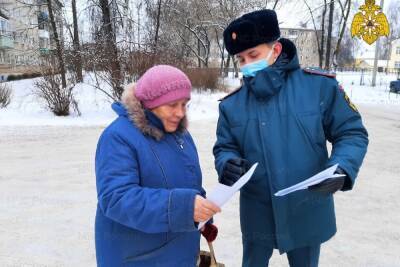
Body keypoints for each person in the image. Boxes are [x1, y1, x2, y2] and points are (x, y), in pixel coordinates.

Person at [213, 9, 369, 267]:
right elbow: (225, 147)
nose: (247, 64)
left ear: (275, 50)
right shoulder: (232, 105)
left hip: (306, 207)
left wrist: (342, 166)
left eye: (253, 54)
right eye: (241, 59)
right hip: (257, 212)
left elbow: (351, 132)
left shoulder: (318, 86)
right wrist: (227, 163)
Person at [95, 65, 220, 266]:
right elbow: (116, 199)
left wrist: (202, 215)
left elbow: (189, 186)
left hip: (179, 252)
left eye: (184, 104)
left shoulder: (181, 135)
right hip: (140, 257)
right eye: (172, 105)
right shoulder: (118, 137)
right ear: (150, 104)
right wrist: (185, 208)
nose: (180, 113)